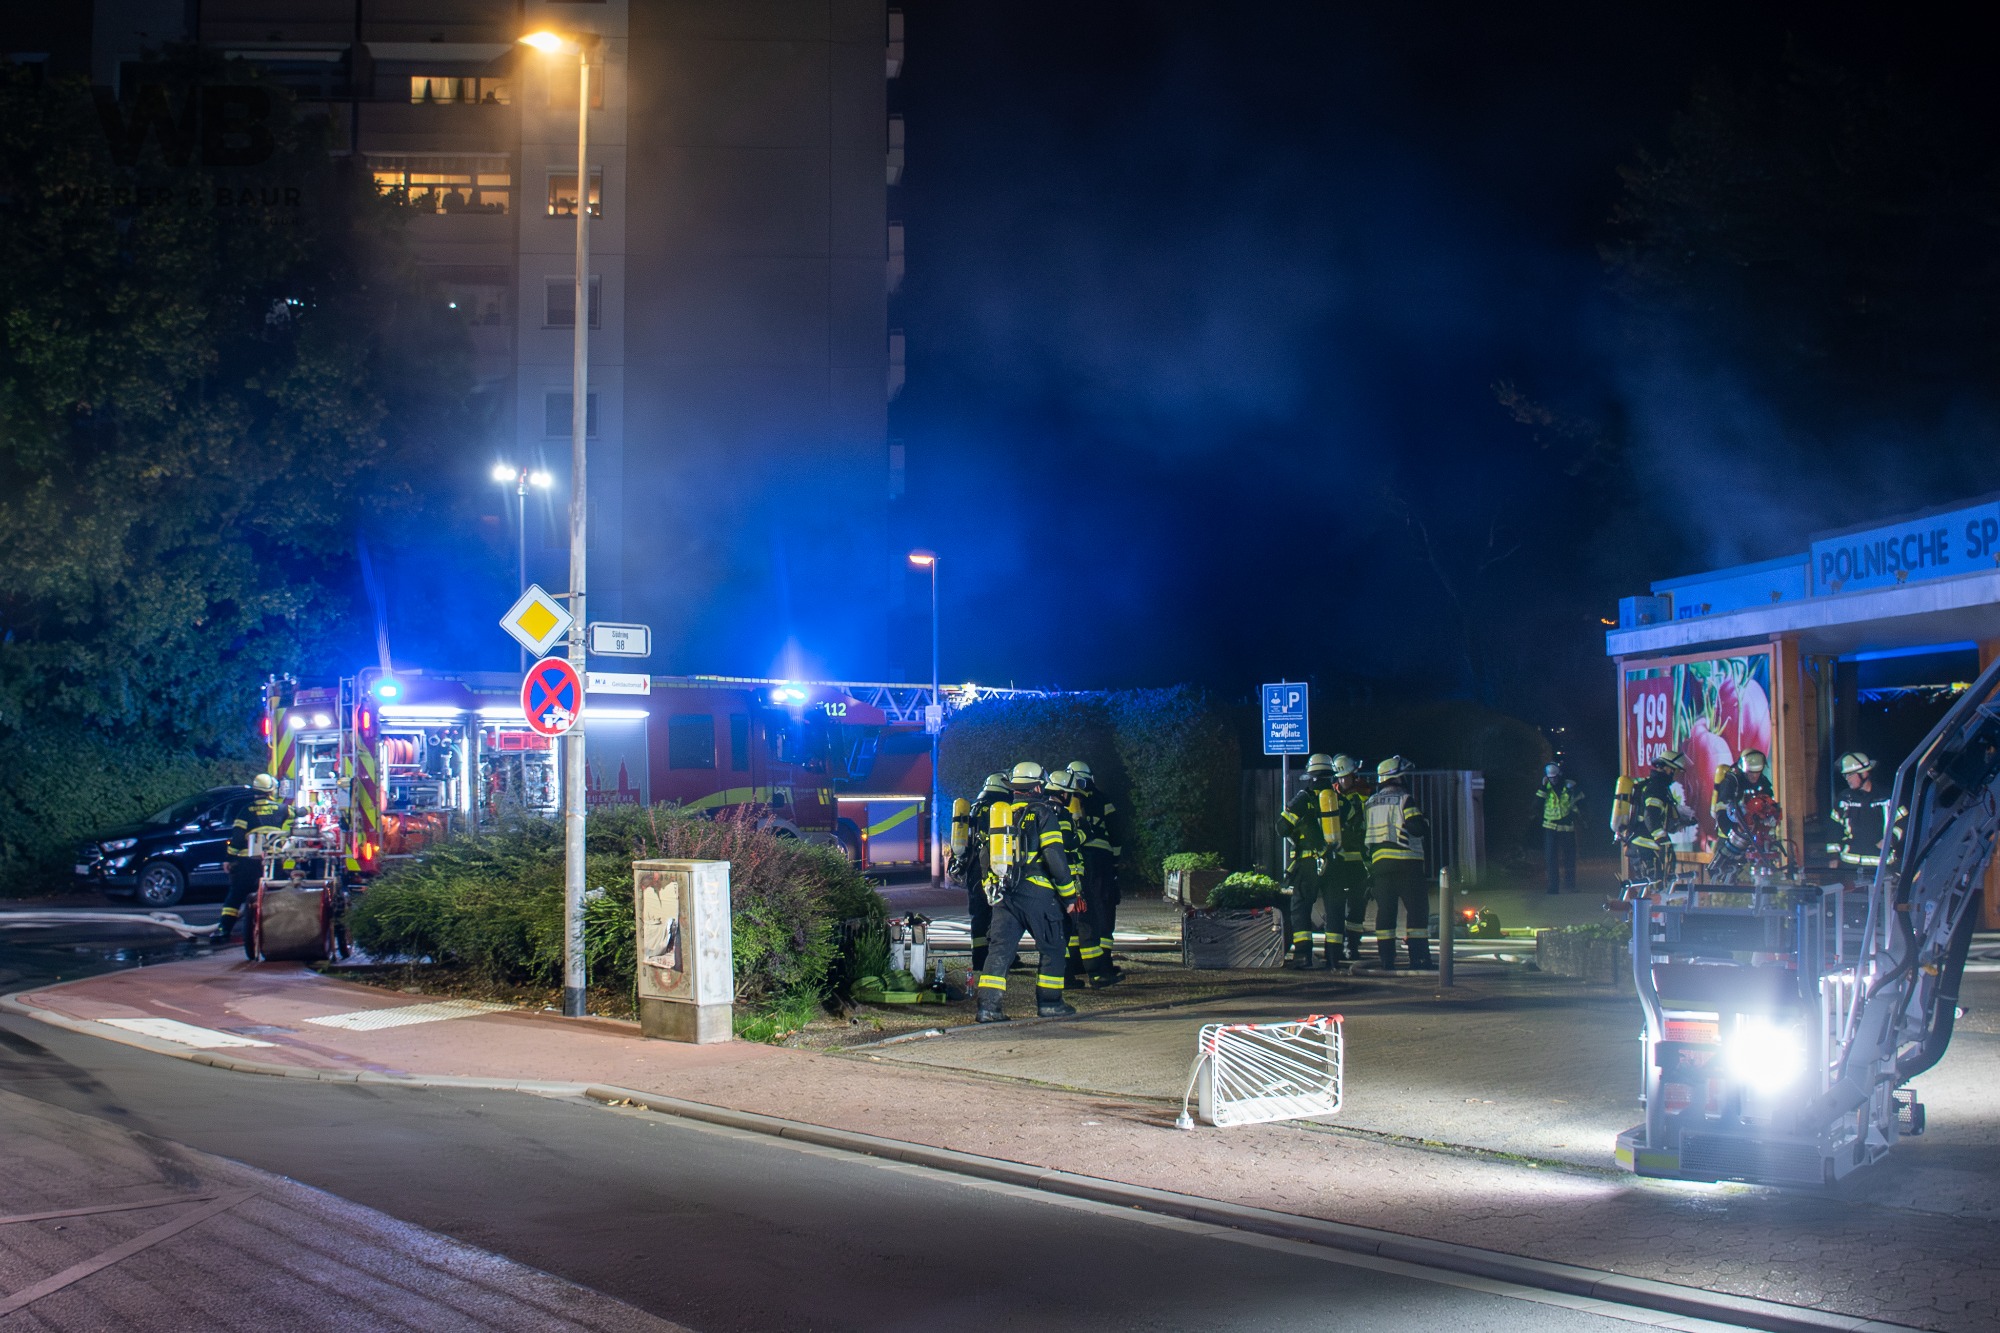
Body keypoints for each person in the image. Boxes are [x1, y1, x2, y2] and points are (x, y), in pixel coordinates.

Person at [974, 762, 1085, 1022]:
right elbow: (1055, 857)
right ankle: (1050, 1003)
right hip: (1037, 893)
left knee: (1000, 951)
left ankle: (988, 1008)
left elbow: (984, 856)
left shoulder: (1001, 815)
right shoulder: (1044, 814)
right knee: (1054, 946)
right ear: (1037, 787)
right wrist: (1069, 896)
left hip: (1005, 894)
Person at [1047, 768, 1120, 989]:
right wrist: (1084, 832)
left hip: (1053, 881)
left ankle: (1067, 976)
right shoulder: (1060, 814)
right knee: (1087, 924)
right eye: (1069, 793)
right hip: (1072, 879)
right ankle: (1097, 974)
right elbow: (1069, 842)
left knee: (1064, 929)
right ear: (1063, 793)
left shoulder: (1042, 811)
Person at [1364, 756, 1430, 970]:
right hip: (1407, 864)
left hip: (1379, 867)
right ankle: (1419, 959)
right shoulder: (1404, 799)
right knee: (1417, 912)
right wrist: (1424, 821)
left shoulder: (1370, 802)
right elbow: (1416, 828)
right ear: (1398, 778)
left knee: (1385, 913)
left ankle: (1386, 960)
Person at [215, 774, 293, 944]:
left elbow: (237, 839)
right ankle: (286, 929)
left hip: (248, 863)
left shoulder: (245, 811)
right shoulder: (282, 809)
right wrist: (311, 808)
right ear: (271, 790)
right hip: (273, 863)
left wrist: (229, 859)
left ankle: (223, 930)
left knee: (235, 895)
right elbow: (299, 812)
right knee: (280, 893)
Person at [1280, 753, 1339, 968]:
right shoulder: (1338, 799)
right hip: (1333, 861)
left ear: (1310, 774)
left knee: (1300, 908)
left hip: (1307, 864)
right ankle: (1334, 957)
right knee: (1334, 908)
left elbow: (1281, 828)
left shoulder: (1302, 798)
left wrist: (1299, 830)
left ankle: (1303, 955)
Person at [950, 773, 1010, 972]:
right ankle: (1004, 959)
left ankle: (979, 959)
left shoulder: (974, 807)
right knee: (1000, 914)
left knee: (979, 914)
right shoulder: (1001, 807)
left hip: (974, 869)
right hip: (995, 868)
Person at [1065, 760, 1123, 950]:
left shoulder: (1066, 798)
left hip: (1077, 860)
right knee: (1103, 903)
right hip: (1102, 860)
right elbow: (1116, 832)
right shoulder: (1103, 799)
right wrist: (1115, 862)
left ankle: (1075, 955)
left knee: (1077, 903)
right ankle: (1103, 954)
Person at [1327, 755, 1373, 964]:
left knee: (1356, 905)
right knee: (1335, 906)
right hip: (1336, 860)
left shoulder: (1365, 795)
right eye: (1340, 777)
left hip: (1357, 860)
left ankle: (1352, 946)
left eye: (1347, 776)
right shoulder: (1330, 795)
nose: (1344, 780)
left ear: (1354, 775)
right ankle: (1334, 950)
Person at [1619, 750, 1687, 885]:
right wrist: (1662, 839)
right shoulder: (1656, 787)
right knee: (1653, 889)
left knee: (1651, 889)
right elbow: (1650, 816)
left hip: (1642, 846)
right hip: (1645, 848)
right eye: (1677, 771)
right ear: (1668, 769)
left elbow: (1659, 816)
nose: (1677, 775)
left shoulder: (1655, 785)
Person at [1833, 751, 1903, 873]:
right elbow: (1834, 828)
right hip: (1849, 867)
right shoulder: (1844, 799)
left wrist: (1890, 840)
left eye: (1850, 775)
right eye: (1845, 775)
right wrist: (1833, 858)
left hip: (1880, 868)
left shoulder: (1887, 798)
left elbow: (1903, 823)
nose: (1847, 779)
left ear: (1864, 773)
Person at [1535, 761, 1584, 895]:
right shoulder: (1545, 788)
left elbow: (1580, 802)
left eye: (1555, 777)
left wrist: (1576, 815)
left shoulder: (1570, 786)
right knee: (1551, 858)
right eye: (1551, 778)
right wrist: (1543, 787)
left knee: (1569, 857)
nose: (1553, 780)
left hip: (1567, 827)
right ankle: (1553, 887)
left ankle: (1570, 885)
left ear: (1559, 774)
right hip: (1550, 827)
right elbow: (1537, 804)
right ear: (1547, 777)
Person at [1711, 749, 1777, 845]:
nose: (1755, 776)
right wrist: (1734, 834)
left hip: (1755, 837)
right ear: (1742, 767)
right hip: (1730, 838)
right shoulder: (1732, 781)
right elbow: (1722, 811)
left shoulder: (1763, 781)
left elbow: (1771, 803)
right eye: (1751, 772)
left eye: (1758, 772)